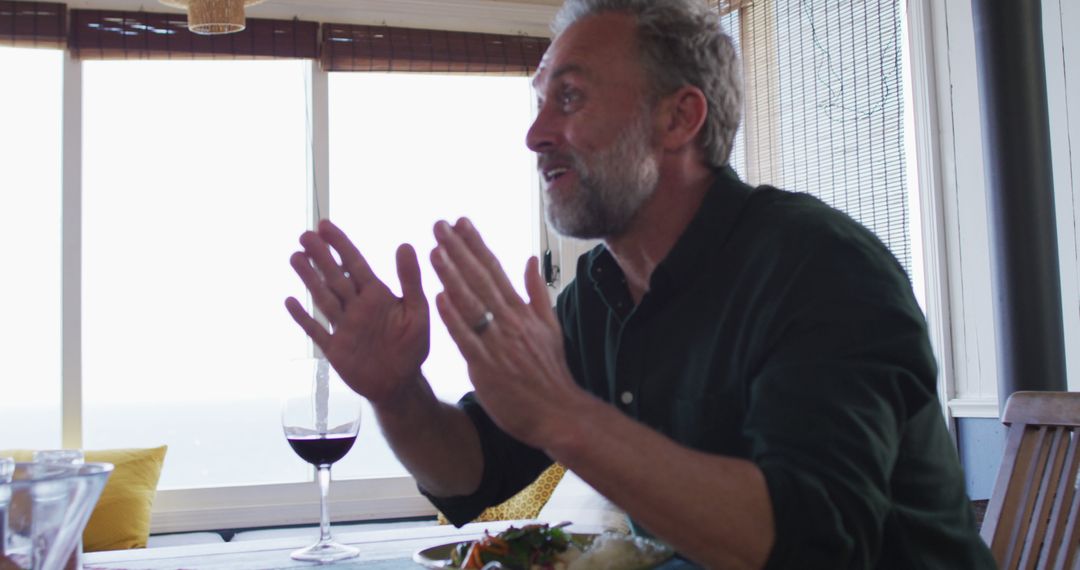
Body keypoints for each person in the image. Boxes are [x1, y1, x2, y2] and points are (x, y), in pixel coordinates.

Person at [286, 0, 996, 568]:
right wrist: (398, 393)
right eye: (539, 101)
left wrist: (565, 416)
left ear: (679, 118)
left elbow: (814, 543)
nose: (535, 132)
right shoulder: (598, 292)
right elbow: (473, 471)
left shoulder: (822, 271)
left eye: (569, 98)